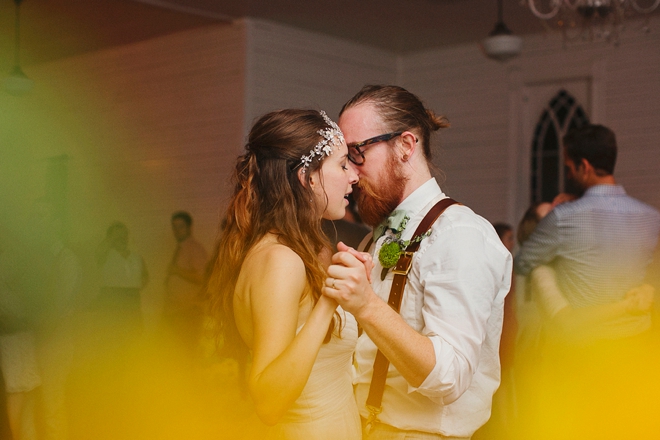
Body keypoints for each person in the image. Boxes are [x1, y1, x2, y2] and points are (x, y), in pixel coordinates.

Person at [323, 85, 512, 439]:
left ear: (406, 145)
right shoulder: (376, 237)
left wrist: (366, 305)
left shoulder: (460, 233)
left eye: (357, 152)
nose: (350, 171)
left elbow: (450, 377)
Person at [206, 109, 361, 439]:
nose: (353, 177)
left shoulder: (299, 251)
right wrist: (328, 302)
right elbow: (268, 402)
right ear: (308, 177)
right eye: (343, 164)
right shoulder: (279, 260)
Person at [514, 124, 660, 438]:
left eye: (569, 168)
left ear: (584, 167)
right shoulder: (651, 217)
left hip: (580, 352)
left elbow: (523, 263)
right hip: (635, 351)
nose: (568, 175)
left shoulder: (565, 217)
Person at [163, 211, 208, 358]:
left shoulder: (195, 249)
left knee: (186, 354)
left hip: (188, 312)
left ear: (190, 228)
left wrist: (177, 271)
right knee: (175, 355)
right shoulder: (179, 248)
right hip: (175, 311)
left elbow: (202, 278)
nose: (176, 230)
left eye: (181, 226)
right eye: (174, 227)